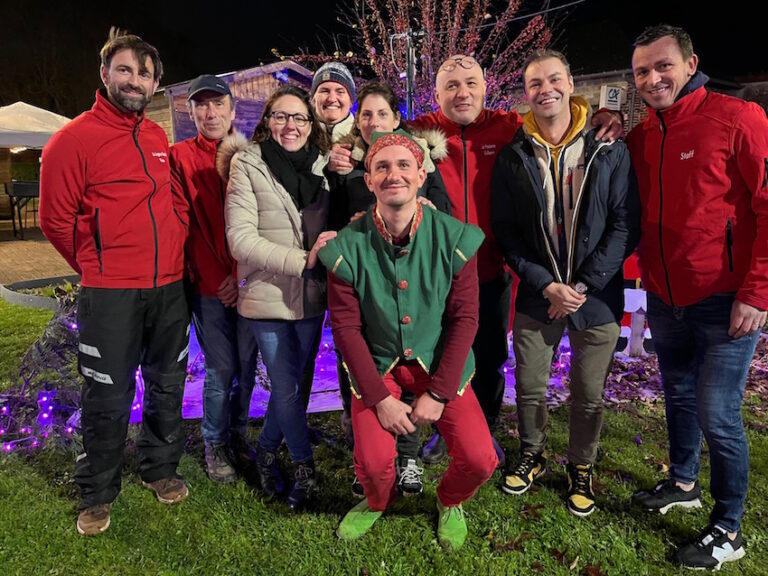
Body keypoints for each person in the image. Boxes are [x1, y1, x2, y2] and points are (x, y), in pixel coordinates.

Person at [397, 54, 622, 465]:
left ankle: (482, 429)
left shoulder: (508, 127)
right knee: (441, 354)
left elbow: (558, 121)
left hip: (491, 269)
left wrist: (601, 115)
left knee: (488, 359)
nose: (462, 92)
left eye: (470, 84)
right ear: (436, 94)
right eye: (451, 86)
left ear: (486, 89)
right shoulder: (415, 130)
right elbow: (369, 137)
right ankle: (447, 432)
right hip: (433, 273)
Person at [626, 24, 768, 570]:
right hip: (666, 295)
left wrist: (756, 291)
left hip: (727, 297)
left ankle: (728, 526)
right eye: (642, 70)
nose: (652, 77)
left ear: (690, 64)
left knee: (718, 411)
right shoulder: (644, 135)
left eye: (663, 65)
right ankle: (683, 481)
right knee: (680, 394)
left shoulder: (738, 119)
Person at [39, 28, 189, 536]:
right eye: (125, 69)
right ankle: (97, 492)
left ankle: (159, 469)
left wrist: (175, 239)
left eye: (145, 74)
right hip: (109, 293)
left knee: (168, 384)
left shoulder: (155, 136)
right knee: (107, 394)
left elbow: (169, 201)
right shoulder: (72, 138)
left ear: (154, 85)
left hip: (168, 288)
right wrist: (96, 263)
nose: (135, 80)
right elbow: (54, 220)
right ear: (104, 74)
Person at [319, 130, 497, 550]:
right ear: (369, 181)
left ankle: (449, 500)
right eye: (382, 166)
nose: (392, 174)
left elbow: (465, 318)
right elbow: (345, 328)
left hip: (438, 365)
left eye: (403, 166)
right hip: (380, 369)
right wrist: (379, 397)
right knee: (377, 465)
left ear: (421, 174)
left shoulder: (455, 238)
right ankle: (379, 500)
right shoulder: (345, 246)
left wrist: (438, 393)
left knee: (479, 459)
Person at [491, 49, 640, 516]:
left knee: (588, 394)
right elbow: (507, 233)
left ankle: (581, 466)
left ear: (571, 82)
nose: (545, 89)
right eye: (535, 83)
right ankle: (532, 453)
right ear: (526, 92)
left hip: (596, 297)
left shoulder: (607, 146)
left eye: (554, 79)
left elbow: (624, 225)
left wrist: (579, 289)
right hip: (538, 296)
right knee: (531, 387)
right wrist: (545, 285)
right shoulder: (514, 154)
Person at [327, 81, 451, 497]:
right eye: (366, 114)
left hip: (410, 282)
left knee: (408, 364)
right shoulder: (345, 166)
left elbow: (442, 211)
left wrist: (427, 211)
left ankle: (410, 456)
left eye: (382, 113)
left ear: (397, 119)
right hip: (364, 282)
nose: (373, 121)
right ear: (356, 121)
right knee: (359, 366)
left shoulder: (420, 161)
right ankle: (367, 451)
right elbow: (332, 221)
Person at [218, 84, 335, 510]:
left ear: (311, 124)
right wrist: (303, 260)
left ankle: (266, 452)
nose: (291, 125)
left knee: (293, 388)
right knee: (286, 386)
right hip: (266, 296)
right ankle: (304, 466)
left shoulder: (322, 167)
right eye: (281, 116)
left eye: (299, 118)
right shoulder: (247, 165)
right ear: (267, 121)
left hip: (309, 298)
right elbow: (240, 240)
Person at [170, 75, 259, 483]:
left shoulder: (250, 155)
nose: (210, 113)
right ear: (191, 113)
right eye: (201, 106)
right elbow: (183, 227)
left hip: (248, 282)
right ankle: (214, 443)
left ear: (232, 110)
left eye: (217, 104)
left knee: (246, 363)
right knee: (222, 368)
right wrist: (217, 278)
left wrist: (240, 274)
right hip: (208, 287)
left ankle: (238, 434)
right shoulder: (180, 157)